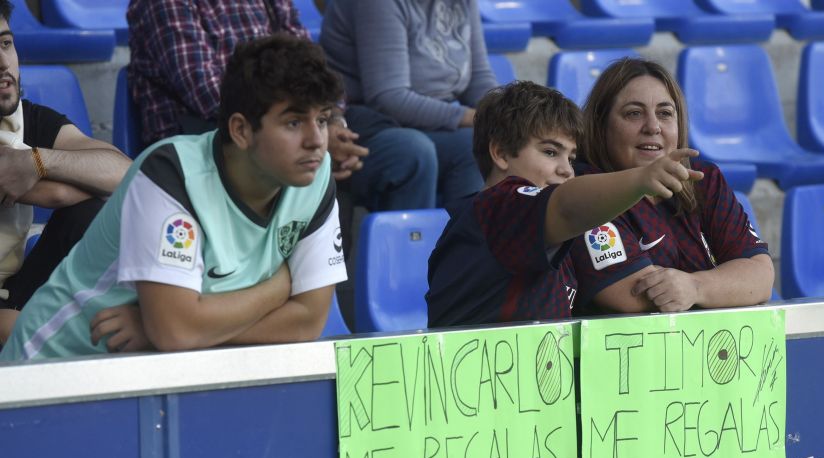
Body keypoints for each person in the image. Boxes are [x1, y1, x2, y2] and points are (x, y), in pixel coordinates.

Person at [0, 34, 347, 361]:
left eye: (322, 120)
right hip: (52, 365)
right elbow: (178, 331)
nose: (316, 140)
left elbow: (307, 321)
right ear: (241, 130)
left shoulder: (314, 176)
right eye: (293, 123)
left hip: (155, 371)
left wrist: (168, 332)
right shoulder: (172, 175)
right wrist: (280, 287)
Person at [426, 80, 703, 327]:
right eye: (550, 152)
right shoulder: (498, 206)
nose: (567, 171)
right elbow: (566, 208)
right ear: (500, 153)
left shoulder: (545, 233)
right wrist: (641, 179)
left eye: (570, 158)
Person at [571, 58, 774, 314]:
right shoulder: (583, 190)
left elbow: (760, 277)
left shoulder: (702, 179)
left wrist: (695, 286)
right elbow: (631, 296)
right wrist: (724, 284)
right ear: (601, 125)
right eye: (634, 113)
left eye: (665, 113)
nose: (653, 127)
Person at [0, 0, 131, 343]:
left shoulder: (27, 119)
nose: (4, 63)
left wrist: (37, 161)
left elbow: (124, 173)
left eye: (5, 44)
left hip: (10, 290)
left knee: (91, 213)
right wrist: (74, 176)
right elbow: (55, 193)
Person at [126, 0, 367, 183]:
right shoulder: (164, 3)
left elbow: (312, 68)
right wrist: (311, 131)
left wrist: (332, 123)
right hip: (204, 144)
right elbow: (209, 95)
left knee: (377, 151)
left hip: (280, 123)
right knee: (321, 171)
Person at [319, 0, 495, 211]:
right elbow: (389, 98)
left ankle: (468, 241)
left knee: (487, 143)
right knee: (420, 150)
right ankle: (413, 241)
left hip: (430, 122)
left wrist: (507, 113)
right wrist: (475, 118)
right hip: (364, 124)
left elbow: (478, 79)